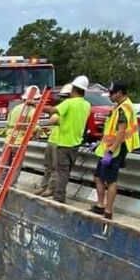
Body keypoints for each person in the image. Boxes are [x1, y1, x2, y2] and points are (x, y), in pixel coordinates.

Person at [91, 81, 140, 220]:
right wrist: (100, 144)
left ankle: (108, 211)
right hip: (110, 148)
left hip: (116, 149)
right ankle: (101, 206)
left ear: (120, 93)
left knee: (110, 179)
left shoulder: (123, 108)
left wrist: (111, 151)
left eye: (112, 93)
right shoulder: (121, 106)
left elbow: (121, 132)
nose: (110, 96)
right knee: (98, 176)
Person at [45, 75, 90, 204]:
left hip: (64, 143)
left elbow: (52, 111)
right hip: (76, 144)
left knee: (61, 172)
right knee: (66, 172)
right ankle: (59, 195)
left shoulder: (69, 103)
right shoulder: (86, 105)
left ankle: (59, 197)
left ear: (73, 89)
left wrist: (39, 106)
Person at [36, 83, 72, 197]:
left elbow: (55, 120)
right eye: (62, 97)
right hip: (52, 140)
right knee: (48, 166)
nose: (63, 99)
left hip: (60, 142)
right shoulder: (61, 108)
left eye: (65, 97)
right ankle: (43, 186)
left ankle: (51, 188)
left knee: (56, 168)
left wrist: (56, 119)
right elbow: (51, 120)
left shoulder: (70, 110)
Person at [5, 85, 40, 164]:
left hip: (8, 141)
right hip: (19, 142)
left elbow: (7, 123)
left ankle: (1, 177)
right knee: (15, 168)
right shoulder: (32, 110)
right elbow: (34, 128)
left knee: (5, 167)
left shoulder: (15, 108)